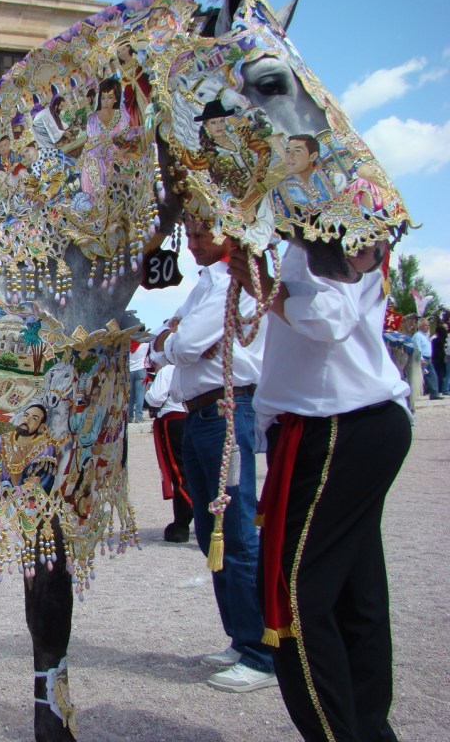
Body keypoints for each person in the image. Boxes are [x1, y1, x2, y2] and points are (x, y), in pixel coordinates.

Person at [229, 240, 412, 742]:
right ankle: (369, 732)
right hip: (347, 421)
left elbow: (331, 317)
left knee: (294, 596)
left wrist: (266, 288)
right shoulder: (308, 229)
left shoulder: (318, 224)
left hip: (335, 423)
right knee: (355, 592)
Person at [150, 216, 274, 693]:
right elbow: (167, 342)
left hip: (225, 408)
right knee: (210, 531)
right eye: (190, 233)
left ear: (228, 233)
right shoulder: (208, 282)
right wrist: (174, 339)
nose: (194, 242)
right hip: (202, 410)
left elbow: (181, 345)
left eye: (203, 233)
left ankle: (261, 652)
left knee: (235, 531)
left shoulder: (230, 281)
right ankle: (242, 638)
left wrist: (175, 339)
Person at [145, 362, 193, 543]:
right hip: (200, 416)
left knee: (180, 472)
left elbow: (154, 398)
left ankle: (181, 524)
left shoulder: (169, 370)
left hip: (174, 418)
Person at [411, 317, 442, 400]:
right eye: (426, 325)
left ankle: (434, 393)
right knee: (420, 376)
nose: (427, 327)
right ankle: (414, 393)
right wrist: (421, 358)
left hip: (428, 359)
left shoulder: (426, 336)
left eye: (428, 325)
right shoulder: (417, 336)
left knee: (432, 375)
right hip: (422, 359)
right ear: (420, 326)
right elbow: (417, 348)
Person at [128, 339, 150, 423]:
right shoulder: (145, 343)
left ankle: (130, 416)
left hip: (130, 370)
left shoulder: (127, 344)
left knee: (130, 396)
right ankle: (138, 416)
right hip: (141, 369)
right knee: (140, 395)